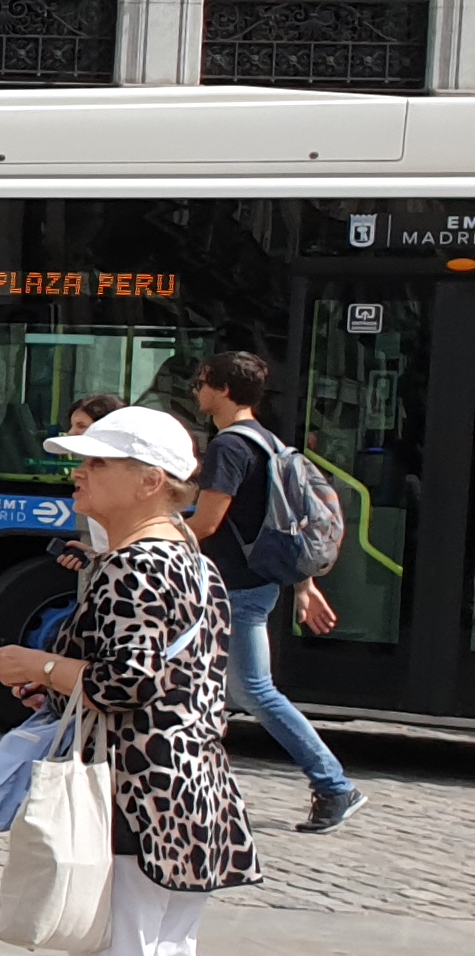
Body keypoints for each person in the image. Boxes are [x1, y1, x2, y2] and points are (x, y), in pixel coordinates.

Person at [0, 406, 256, 956]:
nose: (79, 474)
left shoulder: (133, 566)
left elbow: (125, 682)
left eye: (97, 463)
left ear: (149, 481)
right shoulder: (195, 563)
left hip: (134, 790)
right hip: (195, 789)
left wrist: (36, 663)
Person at [188, 350, 361, 832]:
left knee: (254, 691)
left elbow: (207, 522)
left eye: (202, 382)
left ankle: (333, 784)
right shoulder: (266, 440)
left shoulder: (228, 446)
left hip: (236, 587)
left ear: (223, 390)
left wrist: (141, 540)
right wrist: (303, 584)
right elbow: (279, 517)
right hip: (255, 581)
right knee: (211, 688)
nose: (196, 390)